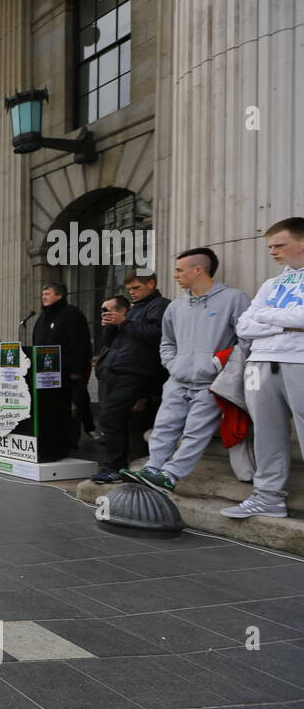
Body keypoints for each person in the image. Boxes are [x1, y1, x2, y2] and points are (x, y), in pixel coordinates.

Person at [121, 248, 250, 494]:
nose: (175, 276)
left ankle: (171, 475)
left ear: (198, 269)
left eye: (180, 270)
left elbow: (246, 341)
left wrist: (218, 366)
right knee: (164, 425)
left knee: (196, 431)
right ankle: (153, 467)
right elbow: (166, 342)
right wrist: (173, 365)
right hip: (178, 379)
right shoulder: (176, 307)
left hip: (212, 383)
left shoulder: (234, 298)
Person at [223, 217, 304, 519]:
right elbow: (244, 325)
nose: (272, 252)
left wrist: (267, 317)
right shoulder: (271, 284)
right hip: (259, 363)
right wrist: (285, 324)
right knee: (266, 434)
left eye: (279, 245)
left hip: (299, 362)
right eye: (269, 246)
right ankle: (268, 497)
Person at [92, 274, 170, 483]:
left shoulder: (160, 305)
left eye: (136, 288)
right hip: (117, 370)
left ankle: (116, 466)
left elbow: (156, 335)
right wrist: (110, 326)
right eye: (129, 290)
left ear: (151, 284)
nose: (132, 293)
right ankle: (118, 465)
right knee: (112, 418)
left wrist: (123, 322)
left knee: (111, 417)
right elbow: (113, 343)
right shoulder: (135, 309)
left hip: (136, 372)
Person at [32, 282, 93, 457]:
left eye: (48, 294)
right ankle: (48, 442)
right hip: (44, 375)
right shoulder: (42, 317)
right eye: (43, 294)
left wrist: (76, 370)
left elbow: (80, 343)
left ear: (59, 295)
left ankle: (67, 443)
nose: (44, 297)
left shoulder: (71, 314)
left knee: (68, 410)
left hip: (66, 375)